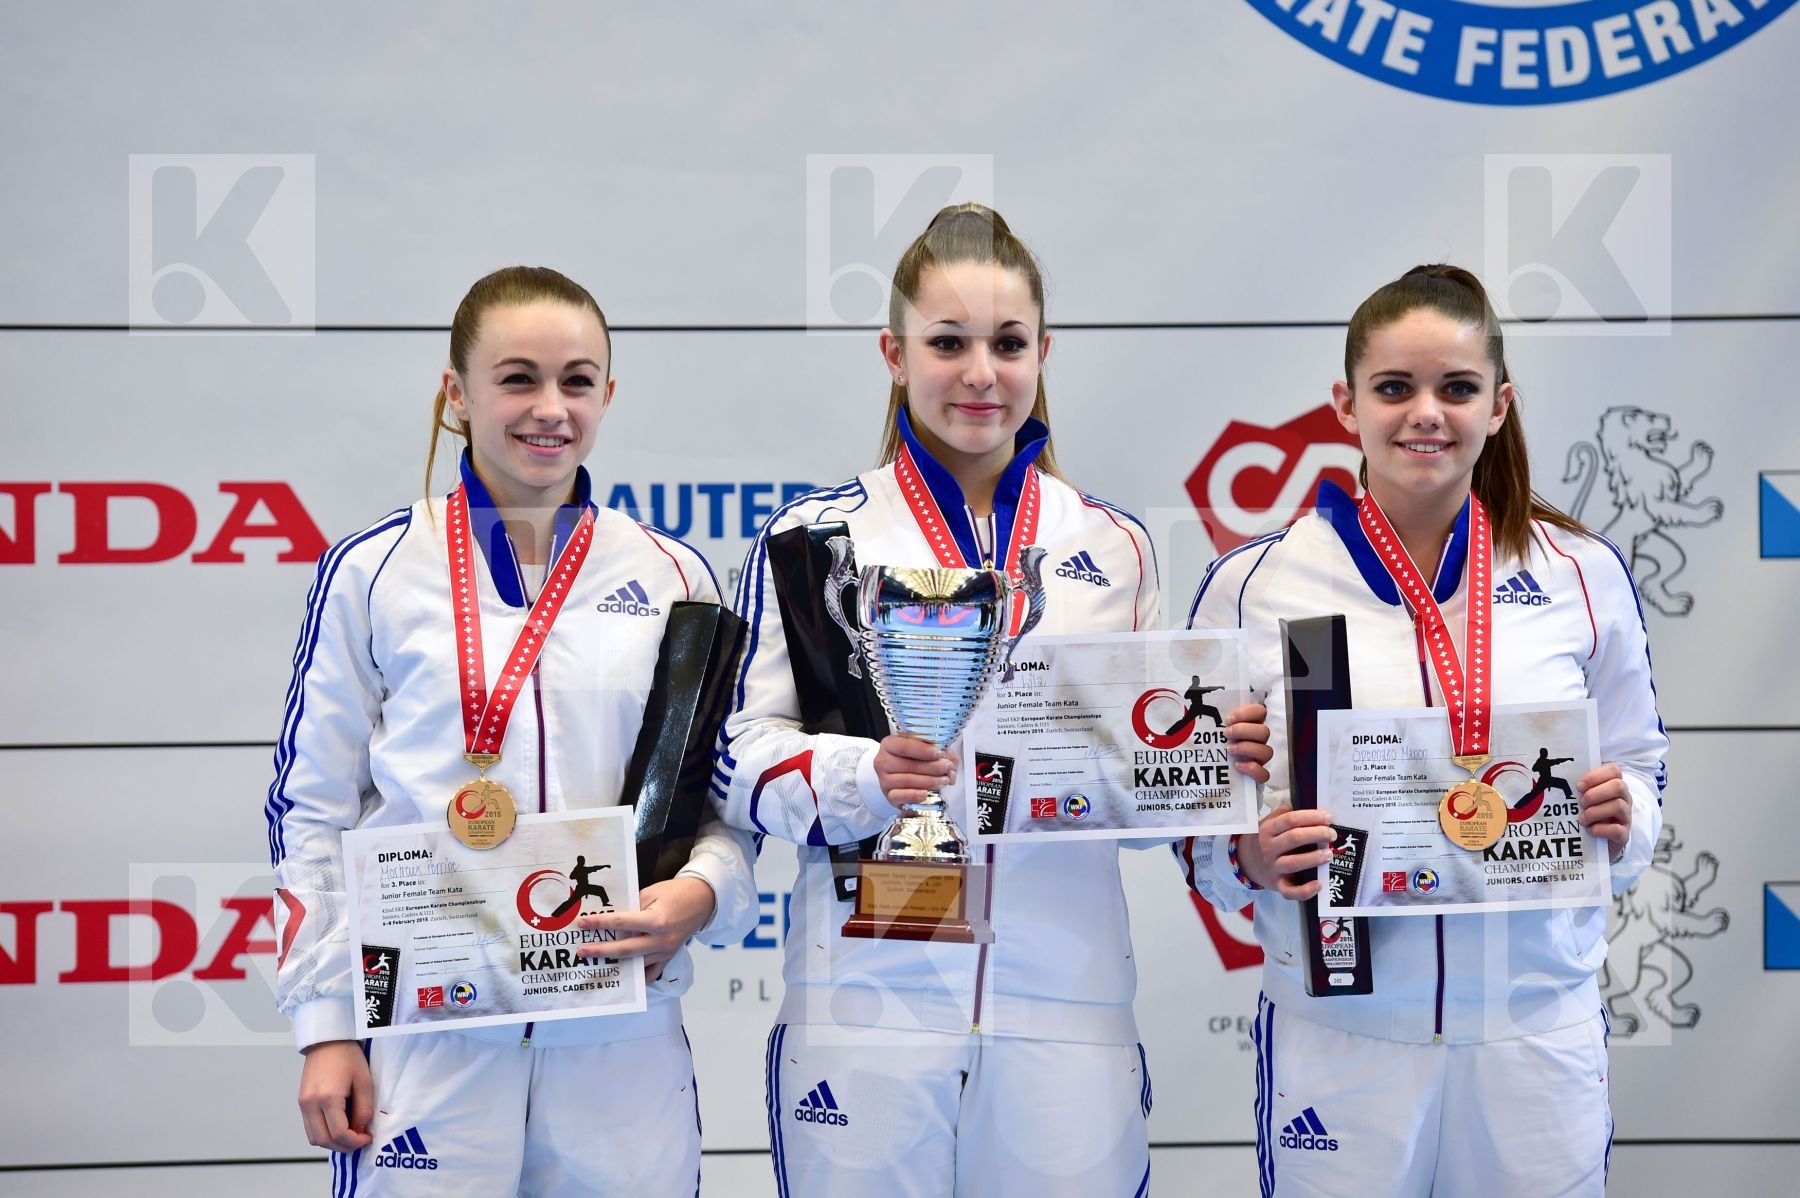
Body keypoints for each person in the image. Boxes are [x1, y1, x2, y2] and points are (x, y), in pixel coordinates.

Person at [712, 204, 1272, 1197]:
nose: (981, 372)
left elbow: (1148, 784)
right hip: (865, 997)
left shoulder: (1114, 545)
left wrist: (1200, 762)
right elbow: (740, 753)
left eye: (1008, 344)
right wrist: (861, 772)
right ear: (894, 353)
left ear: (1042, 352)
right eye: (948, 343)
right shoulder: (813, 539)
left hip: (1065, 1000)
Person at [266, 266, 757, 1196]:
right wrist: (327, 1025)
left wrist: (700, 895)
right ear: (457, 393)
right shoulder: (373, 572)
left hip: (620, 1038)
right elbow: (311, 811)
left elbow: (722, 804)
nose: (549, 408)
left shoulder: (672, 576)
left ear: (608, 394)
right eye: (517, 377)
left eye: (577, 381)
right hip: (428, 1031)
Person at [1180, 265, 1666, 1197]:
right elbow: (1205, 809)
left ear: (1499, 405)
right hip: (1341, 1034)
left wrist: (1622, 816)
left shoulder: (1581, 573)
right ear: (1345, 404)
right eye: (1394, 388)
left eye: (1458, 388)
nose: (1425, 414)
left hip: (1532, 1030)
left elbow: (1641, 763)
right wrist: (1244, 855)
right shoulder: (1256, 584)